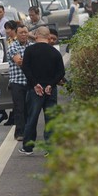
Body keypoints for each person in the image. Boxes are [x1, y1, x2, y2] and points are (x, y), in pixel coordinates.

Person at [19, 27, 65, 156]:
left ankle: (28, 147)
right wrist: (51, 84)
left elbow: (26, 68)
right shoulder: (54, 52)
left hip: (35, 90)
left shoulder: (29, 50)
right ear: (48, 36)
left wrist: (35, 84)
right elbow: (61, 71)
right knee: (50, 118)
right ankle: (49, 148)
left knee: (32, 118)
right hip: (51, 90)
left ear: (37, 35)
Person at [7, 25, 32, 141]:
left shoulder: (32, 46)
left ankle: (29, 131)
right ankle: (19, 133)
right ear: (16, 34)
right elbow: (19, 62)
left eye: (25, 32)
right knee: (19, 108)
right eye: (21, 32)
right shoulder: (13, 47)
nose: (23, 35)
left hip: (29, 82)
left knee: (29, 108)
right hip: (17, 82)